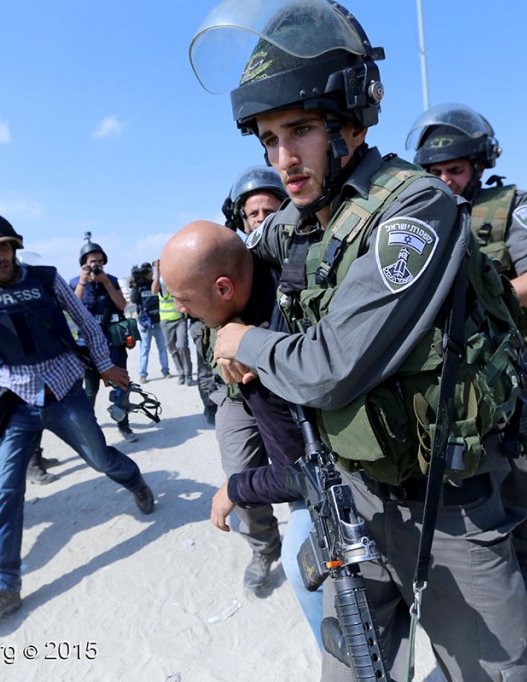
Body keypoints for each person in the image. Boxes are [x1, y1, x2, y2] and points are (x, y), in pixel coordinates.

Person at [190, 3, 527, 679]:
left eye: (298, 130)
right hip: (352, 496)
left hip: (444, 507)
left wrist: (241, 340)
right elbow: (233, 260)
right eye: (268, 138)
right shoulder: (304, 217)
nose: (282, 159)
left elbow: (331, 367)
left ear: (350, 123)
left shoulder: (415, 209)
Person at [409, 103, 527, 618]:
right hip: (446, 368)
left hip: (508, 364)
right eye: (434, 172)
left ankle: (524, 557)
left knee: (523, 473)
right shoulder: (418, 214)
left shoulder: (510, 206)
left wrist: (475, 307)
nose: (445, 181)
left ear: (477, 165)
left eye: (455, 170)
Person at [0, 212, 155, 626]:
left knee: (100, 459)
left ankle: (135, 482)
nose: (2, 256)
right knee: (7, 489)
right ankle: (2, 584)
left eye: (6, 245)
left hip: (64, 389)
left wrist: (103, 365)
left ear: (16, 246)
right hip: (19, 399)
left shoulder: (47, 278)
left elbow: (86, 323)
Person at [162, 220, 327, 647]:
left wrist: (237, 487)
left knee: (299, 566)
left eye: (183, 300)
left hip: (344, 485)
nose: (179, 310)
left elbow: (307, 474)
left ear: (222, 289)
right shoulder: (268, 289)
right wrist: (225, 333)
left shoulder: (270, 349)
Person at [202, 165, 289, 590]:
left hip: (289, 393)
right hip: (240, 396)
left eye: (270, 210)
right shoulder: (225, 264)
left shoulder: (302, 257)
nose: (261, 219)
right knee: (240, 472)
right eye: (253, 213)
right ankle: (264, 547)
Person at [70, 235, 139, 442]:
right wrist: (83, 282)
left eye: (100, 261)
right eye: (93, 262)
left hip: (114, 345)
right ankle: (88, 431)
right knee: (90, 392)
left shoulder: (112, 280)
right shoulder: (75, 283)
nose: (97, 265)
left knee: (122, 387)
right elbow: (73, 307)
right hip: (88, 349)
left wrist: (106, 282)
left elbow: (121, 305)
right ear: (84, 264)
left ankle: (124, 426)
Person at [129, 261, 170, 383]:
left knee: (162, 347)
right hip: (145, 322)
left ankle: (165, 370)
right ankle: (142, 374)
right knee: (144, 349)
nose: (149, 274)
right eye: (147, 272)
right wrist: (135, 285)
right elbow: (134, 299)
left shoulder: (155, 284)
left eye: (150, 272)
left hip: (157, 320)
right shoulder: (139, 286)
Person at [154, 263, 193, 385]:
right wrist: (157, 272)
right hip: (165, 321)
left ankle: (188, 374)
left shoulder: (176, 278)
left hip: (179, 319)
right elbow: (153, 290)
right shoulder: (159, 282)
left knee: (182, 346)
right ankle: (181, 373)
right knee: (173, 349)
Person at [222, 166, 288, 236]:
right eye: (254, 214)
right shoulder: (234, 247)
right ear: (244, 223)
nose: (261, 218)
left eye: (269, 212)